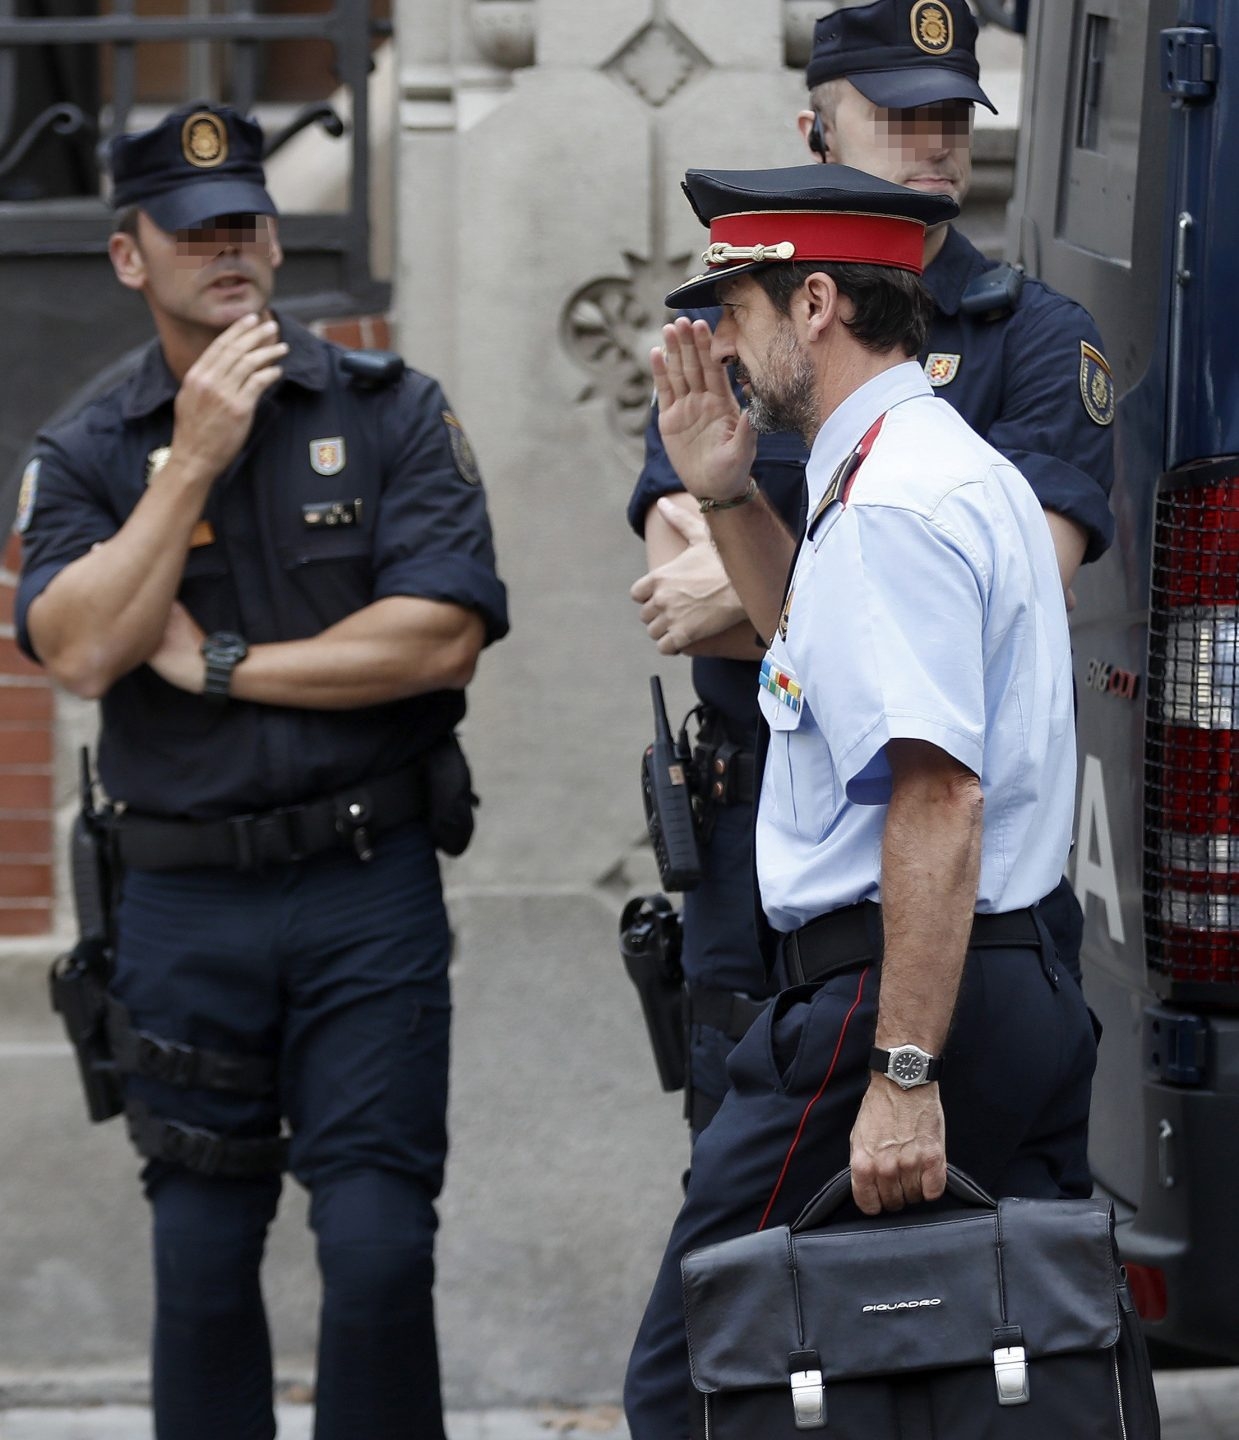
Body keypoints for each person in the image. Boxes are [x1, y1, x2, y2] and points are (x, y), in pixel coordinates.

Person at [14, 103, 508, 1440]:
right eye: (193, 231)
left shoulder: (392, 410)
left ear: (277, 241)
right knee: (199, 1259)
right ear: (130, 257)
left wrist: (221, 665)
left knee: (375, 1249)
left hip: (365, 891)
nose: (226, 248)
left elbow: (441, 637)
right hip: (184, 911)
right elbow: (77, 646)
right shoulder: (87, 451)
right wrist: (192, 469)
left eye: (246, 222)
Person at [622, 161, 1098, 1439]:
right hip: (997, 979)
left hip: (889, 998)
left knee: (689, 1379)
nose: (720, 342)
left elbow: (935, 797)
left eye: (738, 308)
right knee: (1000, 1374)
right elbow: (828, 681)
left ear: (817, 303)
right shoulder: (926, 464)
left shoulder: (890, 499)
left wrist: (899, 1067)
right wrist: (725, 494)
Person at [627, 0, 1114, 1140]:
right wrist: (765, 556)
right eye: (899, 114)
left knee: (972, 1254)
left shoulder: (1038, 336)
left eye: (952, 112)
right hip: (760, 812)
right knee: (754, 1247)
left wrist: (773, 600)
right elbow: (675, 594)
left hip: (943, 857)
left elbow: (1017, 601)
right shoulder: (754, 319)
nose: (933, 139)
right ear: (817, 131)